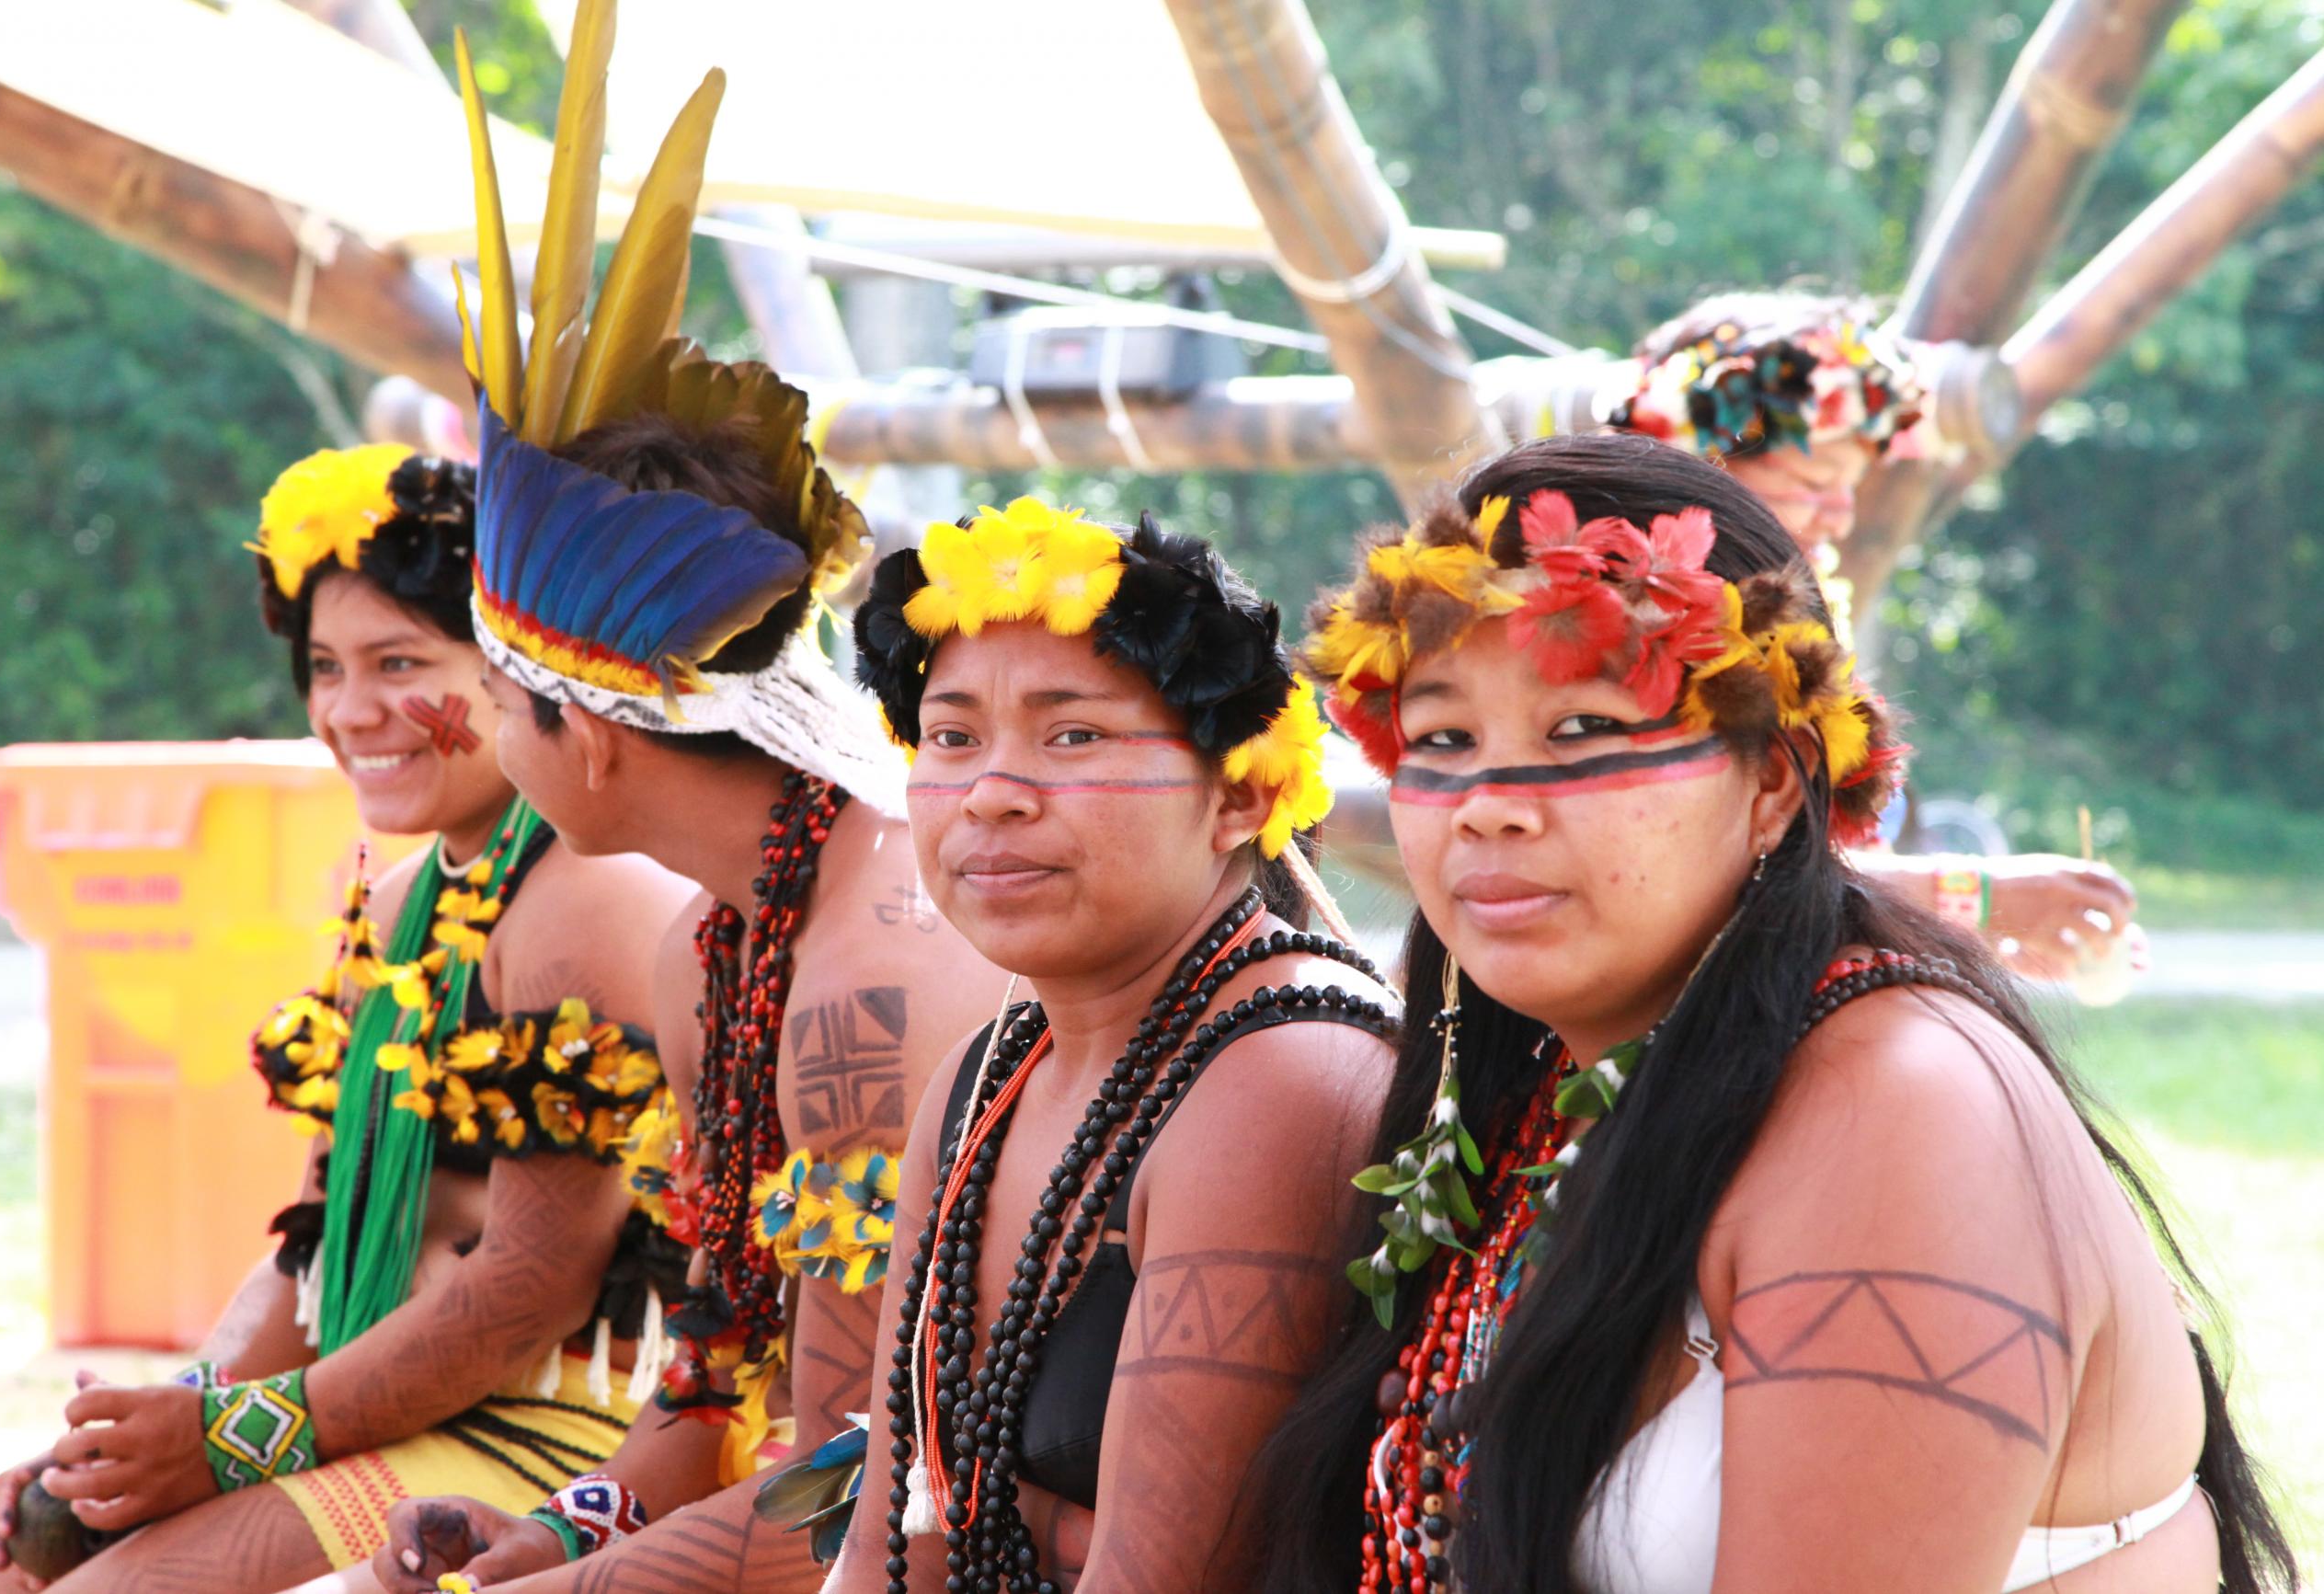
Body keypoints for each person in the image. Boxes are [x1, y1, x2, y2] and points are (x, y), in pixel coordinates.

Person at [1254, 431, 2295, 1593]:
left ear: (1768, 779)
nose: (1487, 806)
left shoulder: (1899, 1111)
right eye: (1444, 738)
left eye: (1583, 728)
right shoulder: (1541, 1088)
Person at [360, 13, 1008, 1592]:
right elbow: (717, 1390)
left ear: (589, 736)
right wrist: (555, 1532)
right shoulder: (709, 952)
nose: (481, 738)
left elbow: (861, 1474)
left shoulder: (874, 958)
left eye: (497, 702)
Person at [0, 445, 695, 1594]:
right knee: (4, 1570)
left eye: (399, 661)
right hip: (375, 1408)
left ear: (516, 668)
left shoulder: (585, 898)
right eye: (325, 666)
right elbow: (316, 1244)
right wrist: (143, 1436)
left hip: (555, 1441)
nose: (352, 711)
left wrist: (229, 1439)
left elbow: (527, 1296)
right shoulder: (402, 906)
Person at [804, 497, 1400, 1594]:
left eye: (1070, 734)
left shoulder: (1282, 1074)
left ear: (1241, 794)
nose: (990, 792)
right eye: (950, 736)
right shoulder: (985, 1077)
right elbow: (897, 1541)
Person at [1615, 292, 2141, 984]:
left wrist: (1980, 937)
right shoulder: (1637, 630)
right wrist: (1981, 899)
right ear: (1703, 467)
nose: (1840, 517)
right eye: (1814, 483)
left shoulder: (1780, 623)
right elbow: (1725, 883)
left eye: (1852, 487)